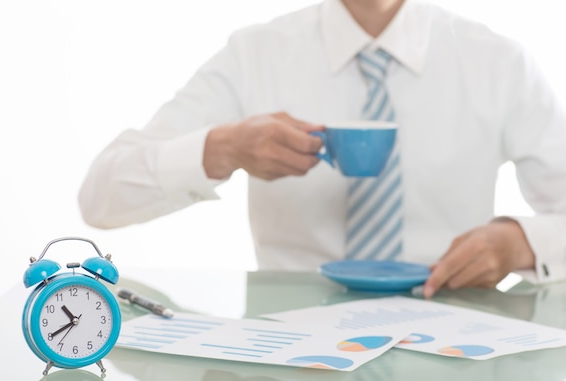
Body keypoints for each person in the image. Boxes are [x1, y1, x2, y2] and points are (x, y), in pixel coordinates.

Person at [78, 0, 566, 298]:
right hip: (290, 337)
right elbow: (101, 197)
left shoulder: (500, 62)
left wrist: (523, 243)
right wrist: (221, 149)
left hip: (456, 331)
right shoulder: (255, 53)